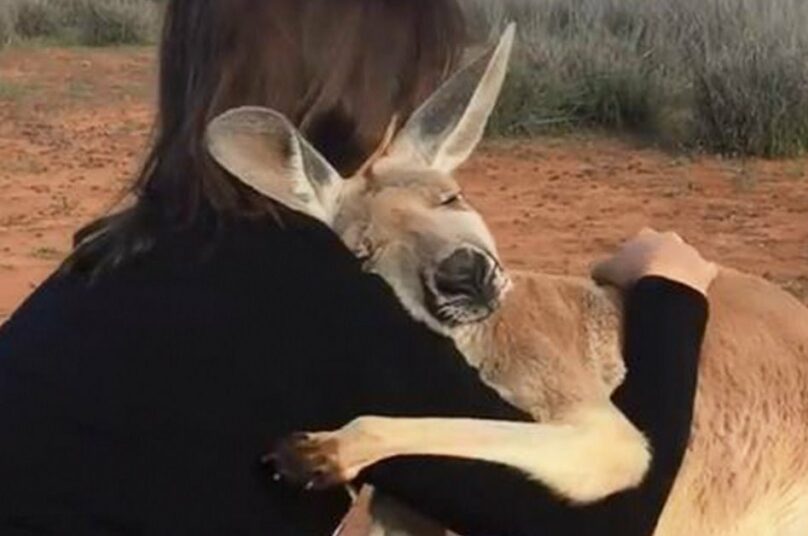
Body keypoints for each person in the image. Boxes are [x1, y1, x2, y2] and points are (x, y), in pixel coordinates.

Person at [0, 1, 716, 535]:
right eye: (403, 92)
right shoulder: (321, 302)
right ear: (365, 99)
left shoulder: (99, 262)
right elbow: (607, 519)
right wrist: (671, 299)